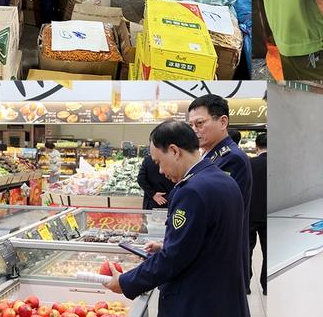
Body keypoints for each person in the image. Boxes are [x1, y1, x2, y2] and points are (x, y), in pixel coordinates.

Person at [103, 121, 249, 317]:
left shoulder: (191, 191)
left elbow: (173, 259)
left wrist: (125, 282)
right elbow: (213, 239)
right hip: (223, 297)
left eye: (158, 162)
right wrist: (168, 245)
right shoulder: (224, 180)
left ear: (174, 151)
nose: (161, 171)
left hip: (196, 303)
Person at [188, 94, 252, 286]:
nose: (194, 130)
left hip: (222, 252)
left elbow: (222, 211)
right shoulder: (209, 155)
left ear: (223, 121)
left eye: (199, 123)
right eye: (191, 125)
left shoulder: (232, 158)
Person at [249, 133, 267, 296]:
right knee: (269, 251)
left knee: (246, 250)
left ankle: (245, 285)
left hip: (249, 214)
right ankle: (267, 285)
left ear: (256, 147)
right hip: (270, 215)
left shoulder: (249, 163)